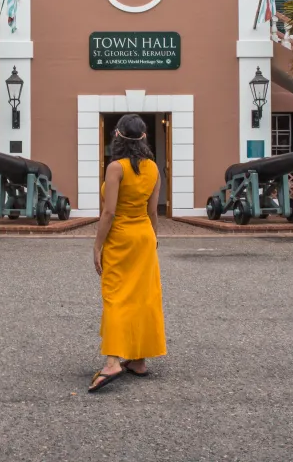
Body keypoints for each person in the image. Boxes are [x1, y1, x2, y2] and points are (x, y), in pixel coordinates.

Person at [88, 113, 167, 393]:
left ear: (117, 136)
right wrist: (154, 239)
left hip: (120, 237)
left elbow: (108, 212)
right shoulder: (153, 169)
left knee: (116, 295)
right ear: (144, 137)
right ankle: (138, 360)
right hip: (144, 236)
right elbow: (152, 211)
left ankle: (112, 361)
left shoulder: (116, 168)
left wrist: (97, 245)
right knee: (143, 296)